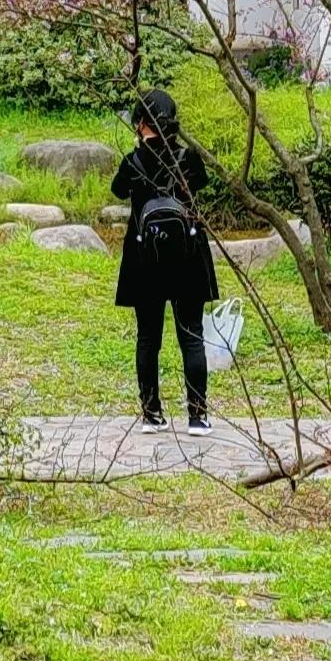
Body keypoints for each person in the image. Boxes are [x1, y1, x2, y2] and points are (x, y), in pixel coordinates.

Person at [110, 87, 219, 432]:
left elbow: (117, 189)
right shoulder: (188, 159)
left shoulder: (133, 162)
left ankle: (152, 414)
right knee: (192, 335)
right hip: (187, 257)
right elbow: (200, 183)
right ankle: (197, 416)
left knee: (148, 338)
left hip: (146, 259)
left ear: (141, 123)